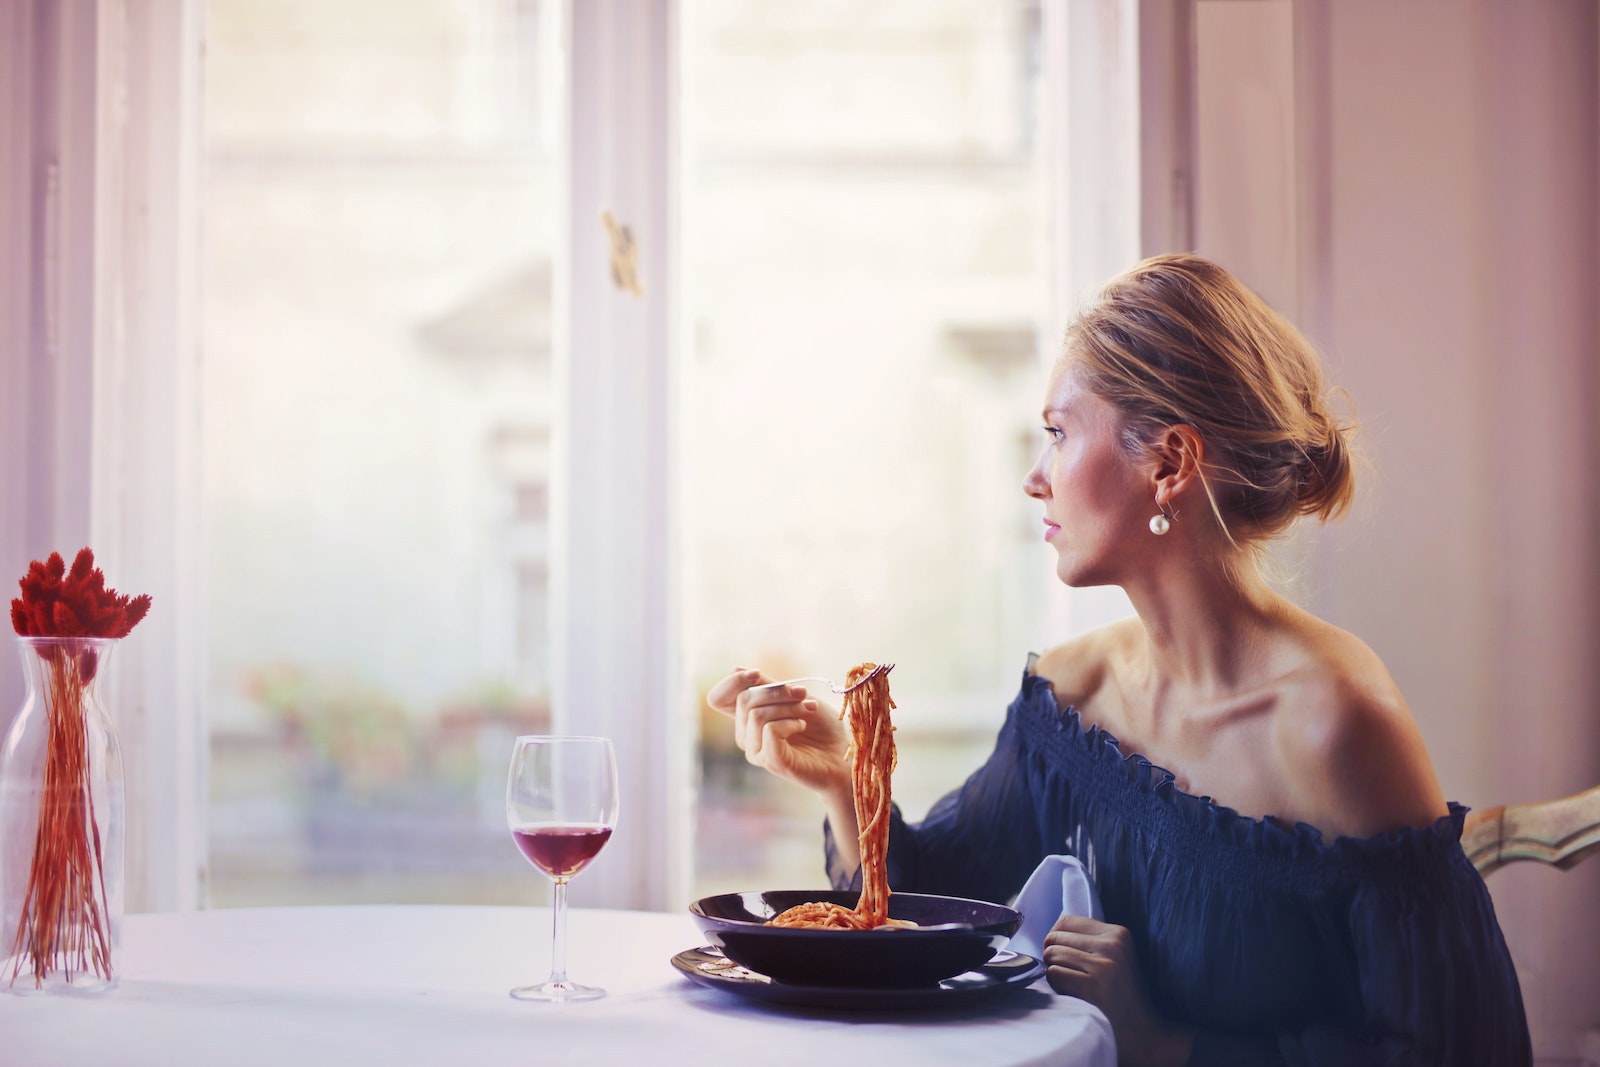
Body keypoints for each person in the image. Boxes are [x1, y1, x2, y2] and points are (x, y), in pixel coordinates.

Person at [707, 253, 1530, 1066]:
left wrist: (1170, 1045)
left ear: (1168, 462)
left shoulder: (1336, 722)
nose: (1035, 478)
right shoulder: (1071, 698)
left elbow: (1460, 1047)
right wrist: (844, 776)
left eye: (1059, 434)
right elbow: (930, 915)